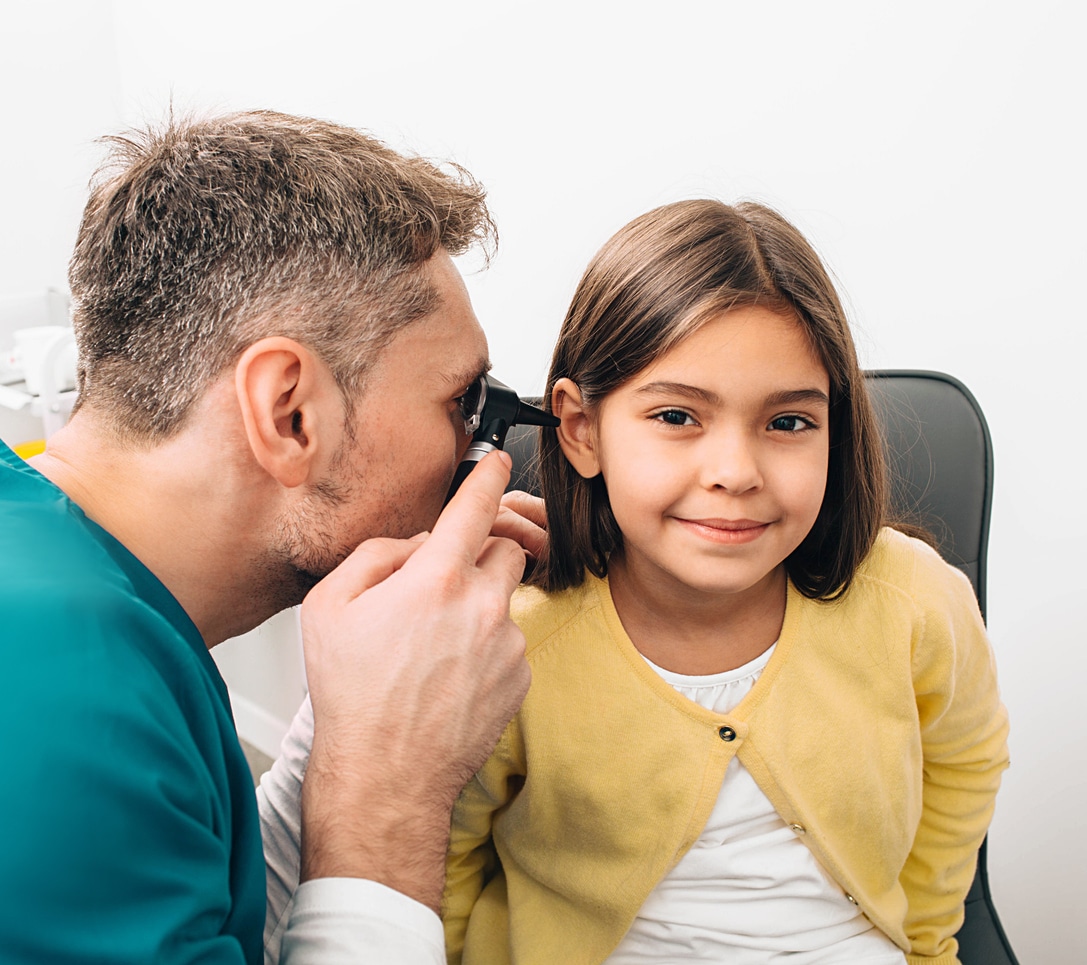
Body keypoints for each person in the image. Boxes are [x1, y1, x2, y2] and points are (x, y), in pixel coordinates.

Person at [0, 110, 543, 964]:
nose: (485, 450)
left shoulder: (85, 607)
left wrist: (358, 725)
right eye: (461, 403)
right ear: (289, 411)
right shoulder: (70, 713)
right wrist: (388, 793)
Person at [439, 200, 1011, 964]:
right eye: (677, 415)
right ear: (580, 429)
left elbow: (966, 755)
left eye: (787, 423)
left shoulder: (915, 603)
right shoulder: (512, 643)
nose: (736, 474)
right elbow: (436, 849)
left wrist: (928, 937)